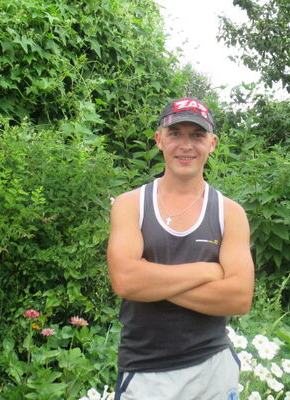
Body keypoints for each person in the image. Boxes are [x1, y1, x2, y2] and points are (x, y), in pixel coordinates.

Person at [107, 97, 255, 400]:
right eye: (175, 134)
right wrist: (207, 271)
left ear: (212, 144)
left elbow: (239, 298)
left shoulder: (230, 213)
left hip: (213, 369)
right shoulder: (130, 205)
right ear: (159, 139)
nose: (186, 145)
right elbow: (126, 281)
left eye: (197, 135)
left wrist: (151, 282)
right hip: (145, 372)